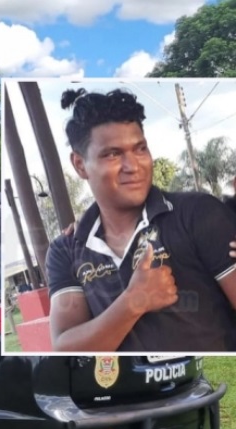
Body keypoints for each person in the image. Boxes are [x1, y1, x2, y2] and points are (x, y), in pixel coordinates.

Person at [46, 87, 236, 352]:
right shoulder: (67, 249)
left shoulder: (198, 213)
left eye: (140, 148)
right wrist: (133, 302)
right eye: (112, 154)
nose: (133, 166)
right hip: (125, 380)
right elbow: (64, 347)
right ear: (79, 164)